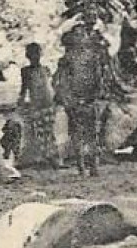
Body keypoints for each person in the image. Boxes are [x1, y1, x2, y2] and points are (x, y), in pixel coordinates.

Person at [53, 25, 112, 175]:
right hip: (76, 98)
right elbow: (60, 80)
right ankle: (83, 165)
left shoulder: (92, 57)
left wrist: (97, 93)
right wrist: (67, 97)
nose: (80, 39)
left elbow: (99, 77)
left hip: (89, 98)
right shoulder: (67, 60)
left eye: (81, 36)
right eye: (78, 36)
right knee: (79, 132)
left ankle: (92, 165)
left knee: (91, 132)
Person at [18, 41, 58, 168]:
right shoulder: (25, 71)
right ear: (27, 56)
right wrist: (20, 103)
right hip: (36, 105)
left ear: (40, 54)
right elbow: (24, 89)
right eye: (32, 54)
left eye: (37, 54)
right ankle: (44, 158)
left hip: (48, 104)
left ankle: (53, 158)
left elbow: (51, 86)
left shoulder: (46, 69)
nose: (35, 57)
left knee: (49, 131)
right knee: (40, 132)